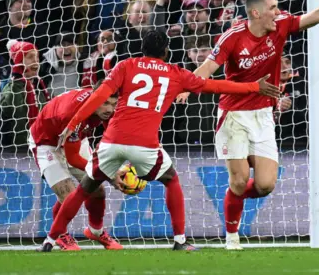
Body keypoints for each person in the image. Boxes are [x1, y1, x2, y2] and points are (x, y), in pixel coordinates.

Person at [44, 29, 280, 251]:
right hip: (144, 145)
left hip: (112, 141)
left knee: (84, 189)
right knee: (170, 179)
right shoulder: (174, 73)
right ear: (166, 52)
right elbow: (214, 85)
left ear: (142, 49)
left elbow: (98, 96)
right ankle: (179, 240)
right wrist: (253, 87)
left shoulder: (125, 66)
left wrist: (74, 123)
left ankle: (50, 239)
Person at [180, 0, 319, 250]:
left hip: (262, 115)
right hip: (233, 115)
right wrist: (188, 88)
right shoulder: (232, 37)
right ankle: (232, 236)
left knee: (264, 185)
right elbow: (208, 66)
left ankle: (232, 198)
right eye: (273, 8)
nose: (278, 11)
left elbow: (318, 15)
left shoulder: (281, 24)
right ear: (256, 13)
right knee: (238, 180)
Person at [32, 82, 122, 252]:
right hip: (47, 142)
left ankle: (96, 231)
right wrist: (108, 174)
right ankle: (61, 235)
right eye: (105, 103)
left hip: (76, 138)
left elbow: (111, 130)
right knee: (69, 195)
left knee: (97, 191)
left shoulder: (104, 108)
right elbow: (73, 159)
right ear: (95, 98)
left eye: (113, 104)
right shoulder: (71, 114)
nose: (110, 109)